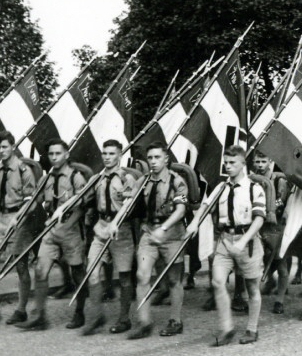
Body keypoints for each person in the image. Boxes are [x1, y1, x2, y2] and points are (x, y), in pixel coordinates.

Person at [187, 145, 266, 346]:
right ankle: (227, 328)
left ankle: (252, 329)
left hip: (247, 241)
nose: (228, 167)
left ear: (243, 164)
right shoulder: (221, 187)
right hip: (225, 240)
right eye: (226, 163)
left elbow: (258, 219)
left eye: (233, 163)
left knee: (252, 288)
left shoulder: (254, 188)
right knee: (217, 282)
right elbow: (206, 205)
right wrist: (195, 223)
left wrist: (242, 241)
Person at [16, 139, 92, 330]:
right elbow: (36, 201)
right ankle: (39, 317)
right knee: (41, 270)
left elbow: (82, 205)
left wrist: (67, 226)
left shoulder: (76, 177)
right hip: (50, 229)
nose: (54, 157)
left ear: (66, 154)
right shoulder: (46, 179)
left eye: (58, 153)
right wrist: (22, 212)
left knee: (77, 272)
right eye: (51, 154)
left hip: (71, 229)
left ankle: (79, 312)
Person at [126, 141, 189, 339]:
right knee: (142, 276)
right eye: (150, 158)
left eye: (157, 157)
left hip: (172, 235)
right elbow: (129, 204)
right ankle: (144, 322)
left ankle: (175, 320)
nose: (153, 162)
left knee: (174, 280)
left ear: (166, 159)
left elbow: (180, 210)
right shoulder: (142, 181)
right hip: (149, 232)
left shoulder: (177, 181)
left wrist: (164, 228)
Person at [0, 131, 38, 328]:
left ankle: (21, 310)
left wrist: (18, 218)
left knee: (20, 265)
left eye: (5, 147)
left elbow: (31, 202)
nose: (1, 151)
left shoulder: (23, 170)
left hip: (18, 219)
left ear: (12, 146)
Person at [80, 139, 136, 335]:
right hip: (101, 227)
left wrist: (115, 222)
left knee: (124, 277)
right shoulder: (97, 178)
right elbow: (82, 196)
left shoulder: (126, 178)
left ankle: (124, 318)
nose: (107, 157)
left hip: (121, 229)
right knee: (92, 272)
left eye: (111, 154)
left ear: (120, 155)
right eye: (104, 153)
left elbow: (128, 203)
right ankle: (96, 316)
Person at [252, 150, 290, 315]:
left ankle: (279, 300)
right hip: (257, 225)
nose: (260, 166)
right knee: (259, 261)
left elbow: (281, 203)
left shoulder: (279, 180)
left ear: (270, 162)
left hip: (276, 226)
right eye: (257, 162)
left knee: (281, 264)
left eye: (263, 162)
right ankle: (264, 287)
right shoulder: (252, 180)